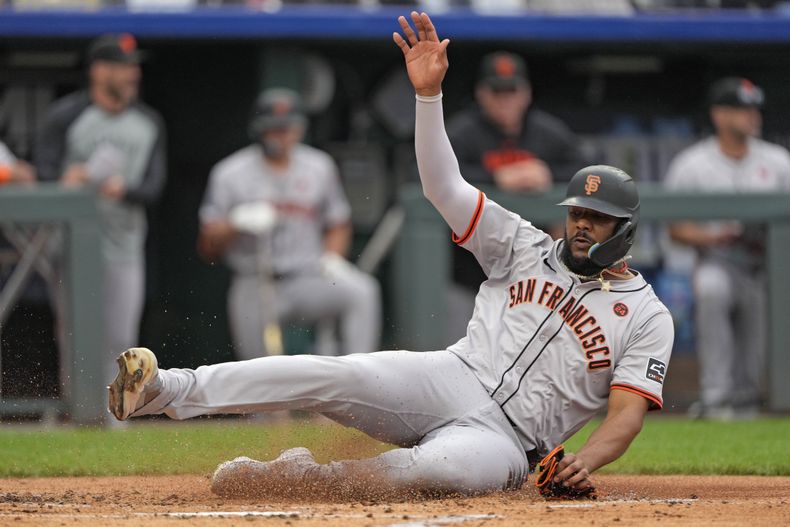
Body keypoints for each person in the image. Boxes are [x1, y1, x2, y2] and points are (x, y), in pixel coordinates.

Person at [108, 12, 673, 500]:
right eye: (576, 212)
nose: (580, 224)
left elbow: (624, 415)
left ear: (624, 229)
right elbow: (444, 187)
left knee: (433, 470)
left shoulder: (646, 316)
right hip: (453, 376)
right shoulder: (525, 245)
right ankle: (167, 389)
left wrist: (586, 461)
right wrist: (429, 98)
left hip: (509, 442)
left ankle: (302, 480)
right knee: (329, 373)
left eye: (595, 218)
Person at [197, 87, 380, 359]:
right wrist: (236, 223)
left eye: (288, 128)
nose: (283, 136)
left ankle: (362, 378)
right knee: (258, 375)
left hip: (306, 277)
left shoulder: (319, 166)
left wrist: (331, 258)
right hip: (254, 283)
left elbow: (338, 222)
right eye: (275, 129)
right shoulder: (230, 173)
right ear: (259, 130)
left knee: (361, 291)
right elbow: (207, 248)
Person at [34, 33, 167, 386]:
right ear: (99, 71)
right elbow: (41, 173)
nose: (132, 74)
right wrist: (68, 178)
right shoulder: (67, 116)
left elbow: (154, 186)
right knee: (74, 330)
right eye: (123, 68)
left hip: (124, 239)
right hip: (72, 241)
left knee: (122, 333)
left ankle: (118, 415)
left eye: (133, 67)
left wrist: (125, 189)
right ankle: (77, 410)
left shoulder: (148, 121)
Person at [664, 77, 790, 420]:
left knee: (757, 337)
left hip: (765, 264)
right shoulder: (692, 163)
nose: (752, 115)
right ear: (719, 115)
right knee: (712, 290)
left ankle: (747, 400)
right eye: (741, 109)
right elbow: (674, 226)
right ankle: (716, 397)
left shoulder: (779, 161)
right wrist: (712, 237)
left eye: (754, 108)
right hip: (717, 260)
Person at [445, 51, 589, 339]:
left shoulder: (547, 132)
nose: (505, 99)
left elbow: (589, 172)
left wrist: (547, 173)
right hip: (469, 275)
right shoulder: (463, 133)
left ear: (526, 93)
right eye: (497, 91)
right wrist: (495, 179)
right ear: (481, 94)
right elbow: (423, 174)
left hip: (535, 279)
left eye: (512, 90)